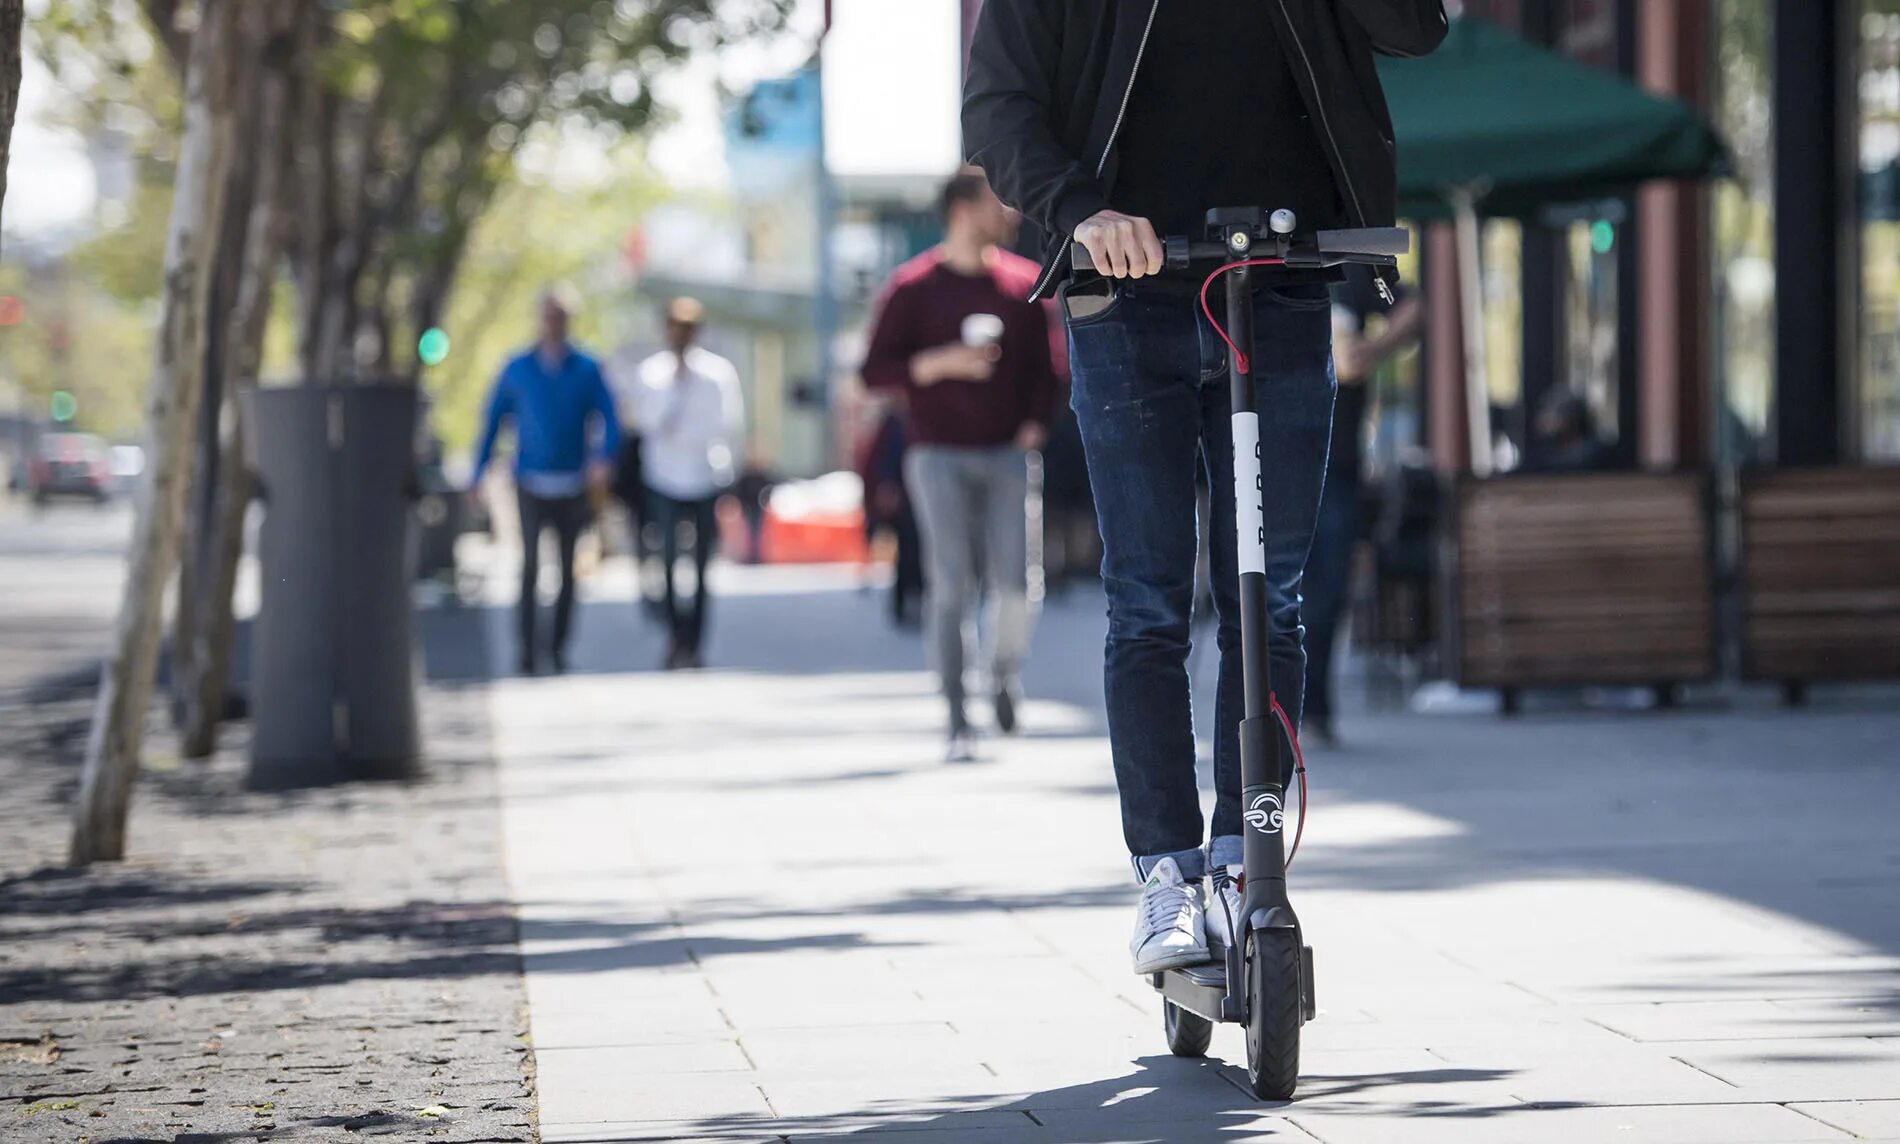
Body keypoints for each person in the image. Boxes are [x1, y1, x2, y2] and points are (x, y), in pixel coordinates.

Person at [964, 0, 1447, 972]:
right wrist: (1079, 210)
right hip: (1120, 300)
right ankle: (1165, 875)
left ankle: (1242, 858)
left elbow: (1416, 29)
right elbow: (997, 111)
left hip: (1281, 289)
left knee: (1267, 603)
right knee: (1144, 602)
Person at [861, 168, 1061, 763]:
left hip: (1006, 454)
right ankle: (955, 711)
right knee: (951, 584)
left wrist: (1033, 425)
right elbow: (873, 373)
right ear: (963, 208)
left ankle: (1002, 673)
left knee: (1016, 585)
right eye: (999, 200)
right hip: (936, 454)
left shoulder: (1024, 285)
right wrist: (937, 363)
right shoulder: (912, 287)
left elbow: (1049, 375)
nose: (1012, 212)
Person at [1303, 265, 1423, 745]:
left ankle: (1312, 707)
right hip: (1260, 455)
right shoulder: (1254, 250)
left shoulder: (1352, 264)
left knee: (1327, 588)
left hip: (1338, 462)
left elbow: (1411, 305)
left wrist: (1370, 351)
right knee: (1263, 587)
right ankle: (1268, 710)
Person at [471, 286, 620, 675]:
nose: (554, 323)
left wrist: (603, 459)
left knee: (568, 570)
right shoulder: (517, 368)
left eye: (561, 317)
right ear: (539, 319)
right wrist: (479, 471)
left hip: (573, 483)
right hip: (530, 481)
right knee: (530, 566)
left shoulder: (587, 368)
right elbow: (493, 422)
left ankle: (557, 649)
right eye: (549, 316)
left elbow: (610, 418)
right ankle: (526, 651)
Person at [623, 297, 744, 670]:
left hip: (704, 477)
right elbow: (646, 424)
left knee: (703, 567)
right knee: (670, 561)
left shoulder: (717, 374)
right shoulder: (652, 374)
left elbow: (725, 424)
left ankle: (695, 642)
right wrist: (675, 387)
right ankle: (675, 638)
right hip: (664, 478)